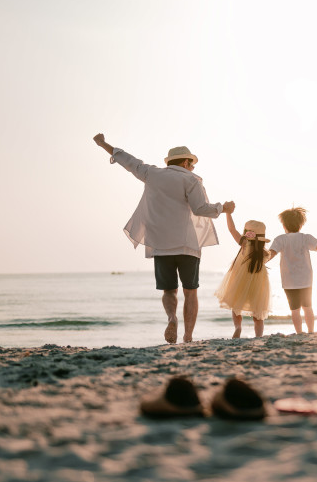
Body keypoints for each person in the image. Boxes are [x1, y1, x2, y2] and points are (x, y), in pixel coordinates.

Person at [93, 133, 234, 344]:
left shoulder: (151, 173)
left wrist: (103, 144)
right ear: (186, 162)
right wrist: (223, 208)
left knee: (169, 290)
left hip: (160, 244)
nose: (193, 168)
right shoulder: (191, 180)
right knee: (190, 291)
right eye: (192, 164)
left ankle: (171, 318)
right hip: (187, 244)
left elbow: (128, 161)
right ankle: (187, 336)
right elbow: (200, 209)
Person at [268, 207, 317, 334]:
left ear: (284, 225)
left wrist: (259, 261)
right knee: (308, 308)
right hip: (306, 280)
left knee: (294, 310)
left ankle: (299, 332)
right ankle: (311, 331)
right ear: (300, 224)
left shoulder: (280, 239)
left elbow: (271, 254)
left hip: (289, 281)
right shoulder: (305, 238)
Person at [215, 214, 271, 338]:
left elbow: (232, 229)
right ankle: (258, 336)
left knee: (236, 305)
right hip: (258, 281)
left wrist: (228, 214)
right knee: (258, 311)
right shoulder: (264, 253)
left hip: (240, 278)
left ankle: (238, 327)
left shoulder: (244, 243)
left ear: (246, 233)